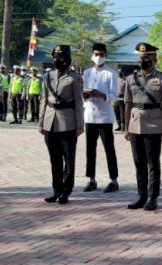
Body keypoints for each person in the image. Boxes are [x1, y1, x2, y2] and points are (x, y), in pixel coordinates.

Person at [123, 42, 162, 211]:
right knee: (139, 163)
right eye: (142, 57)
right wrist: (126, 127)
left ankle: (153, 197)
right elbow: (128, 105)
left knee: (152, 163)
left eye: (148, 57)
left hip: (154, 124)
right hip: (135, 125)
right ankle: (141, 196)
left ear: (155, 60)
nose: (144, 60)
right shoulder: (131, 79)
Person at [39, 45, 84, 204]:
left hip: (68, 122)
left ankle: (66, 190)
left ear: (67, 59)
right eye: (55, 57)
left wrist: (80, 124)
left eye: (60, 57)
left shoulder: (74, 77)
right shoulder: (47, 76)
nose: (57, 60)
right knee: (54, 159)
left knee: (68, 159)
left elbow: (78, 102)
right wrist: (41, 122)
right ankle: (56, 190)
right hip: (50, 122)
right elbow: (44, 99)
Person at [82, 43, 120, 193]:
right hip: (90, 116)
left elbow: (114, 96)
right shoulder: (86, 73)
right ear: (92, 55)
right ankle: (91, 179)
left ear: (106, 56)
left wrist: (102, 95)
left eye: (102, 54)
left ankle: (113, 180)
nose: (98, 57)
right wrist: (85, 95)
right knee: (90, 149)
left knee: (109, 149)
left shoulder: (111, 74)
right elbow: (82, 92)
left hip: (104, 117)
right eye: (96, 54)